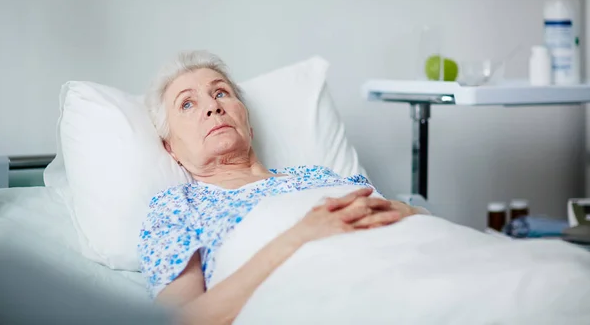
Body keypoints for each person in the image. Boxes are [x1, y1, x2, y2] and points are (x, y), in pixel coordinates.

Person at [138, 50, 427, 324]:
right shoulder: (176, 207)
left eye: (221, 93)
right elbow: (181, 321)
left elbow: (413, 220)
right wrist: (298, 236)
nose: (213, 107)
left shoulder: (318, 176)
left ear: (247, 124)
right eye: (187, 104)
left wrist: (407, 211)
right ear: (171, 148)